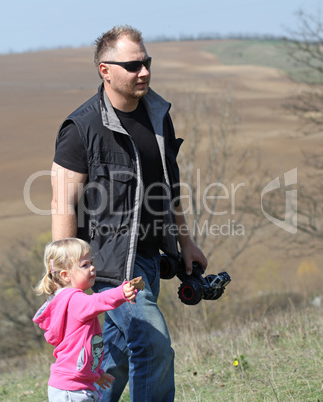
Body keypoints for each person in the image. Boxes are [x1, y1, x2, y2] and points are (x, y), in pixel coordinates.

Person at [50, 25, 207, 401]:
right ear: (105, 70)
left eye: (147, 62)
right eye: (134, 65)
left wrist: (185, 242)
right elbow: (62, 204)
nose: (145, 72)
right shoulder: (81, 127)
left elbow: (170, 187)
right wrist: (67, 278)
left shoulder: (158, 115)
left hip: (150, 259)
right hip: (106, 266)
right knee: (153, 346)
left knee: (117, 359)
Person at [33, 237, 137, 401]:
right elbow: (98, 301)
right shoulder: (74, 300)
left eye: (91, 262)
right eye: (85, 265)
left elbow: (79, 349)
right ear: (65, 275)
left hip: (75, 385)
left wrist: (96, 374)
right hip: (71, 389)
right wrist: (120, 292)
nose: (92, 267)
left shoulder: (64, 300)